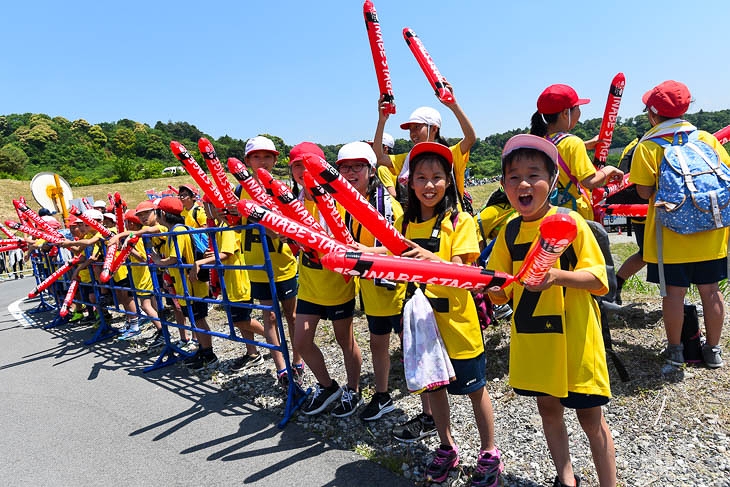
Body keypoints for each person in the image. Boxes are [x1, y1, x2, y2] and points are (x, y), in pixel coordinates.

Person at [486, 134, 616, 487]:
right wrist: (495, 291)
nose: (523, 184)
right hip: (535, 341)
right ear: (503, 185)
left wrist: (556, 275)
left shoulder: (570, 222)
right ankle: (566, 476)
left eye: (534, 175)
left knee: (591, 418)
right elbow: (502, 290)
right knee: (548, 410)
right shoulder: (510, 231)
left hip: (575, 338)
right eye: (513, 177)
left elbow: (599, 279)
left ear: (554, 180)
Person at [399, 142, 502, 486]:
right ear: (410, 183)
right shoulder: (405, 221)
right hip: (423, 324)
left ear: (449, 181)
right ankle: (446, 446)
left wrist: (429, 260)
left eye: (438, 177)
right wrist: (355, 251)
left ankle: (489, 451)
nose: (429, 185)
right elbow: (386, 251)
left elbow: (463, 272)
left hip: (457, 324)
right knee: (435, 387)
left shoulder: (461, 221)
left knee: (476, 389)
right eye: (422, 177)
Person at [630, 80, 729, 369]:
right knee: (711, 290)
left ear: (652, 114)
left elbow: (645, 192)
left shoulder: (648, 145)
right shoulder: (706, 139)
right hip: (711, 232)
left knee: (673, 294)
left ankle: (675, 351)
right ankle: (713, 351)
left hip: (669, 235)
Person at [288, 142, 363, 418]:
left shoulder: (338, 199)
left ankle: (353, 390)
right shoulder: (291, 202)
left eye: (308, 164)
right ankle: (328, 386)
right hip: (308, 285)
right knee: (301, 342)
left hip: (338, 285)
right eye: (297, 165)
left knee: (346, 340)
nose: (302, 170)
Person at [334, 141, 405, 421]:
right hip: (371, 290)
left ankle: (429, 412)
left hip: (398, 290)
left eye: (357, 167)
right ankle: (382, 394)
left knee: (409, 348)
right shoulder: (346, 206)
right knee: (378, 343)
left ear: (371, 170)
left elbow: (402, 247)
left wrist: (365, 252)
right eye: (345, 168)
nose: (351, 172)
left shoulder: (388, 206)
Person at [192, 197, 290, 383]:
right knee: (238, 318)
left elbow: (228, 252)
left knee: (240, 320)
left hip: (239, 280)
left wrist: (204, 261)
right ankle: (252, 352)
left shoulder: (227, 227)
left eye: (207, 206)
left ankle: (273, 343)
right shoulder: (220, 227)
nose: (205, 209)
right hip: (230, 280)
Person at [237, 135, 303, 380]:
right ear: (248, 161)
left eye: (267, 157)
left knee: (292, 315)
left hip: (283, 263)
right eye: (256, 156)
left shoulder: (282, 189)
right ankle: (281, 367)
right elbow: (231, 223)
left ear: (275, 161)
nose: (262, 161)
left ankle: (298, 360)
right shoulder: (238, 191)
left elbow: (292, 224)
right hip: (256, 265)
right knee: (270, 316)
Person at [373, 80, 476, 208]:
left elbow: (470, 138)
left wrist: (454, 106)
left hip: (452, 221)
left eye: (417, 127)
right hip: (421, 222)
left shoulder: (450, 154)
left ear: (434, 129)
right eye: (410, 129)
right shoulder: (409, 159)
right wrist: (381, 121)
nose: (412, 133)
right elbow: (379, 157)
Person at [530, 84, 623, 221]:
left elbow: (559, 153)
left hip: (548, 215)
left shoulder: (538, 143)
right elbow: (590, 182)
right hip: (573, 216)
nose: (579, 113)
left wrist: (585, 145)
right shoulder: (573, 143)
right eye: (578, 108)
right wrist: (609, 170)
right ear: (565, 113)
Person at [149, 197, 215, 371]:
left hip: (191, 285)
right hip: (187, 284)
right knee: (196, 320)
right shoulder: (178, 229)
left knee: (199, 320)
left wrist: (157, 260)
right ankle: (203, 350)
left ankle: (209, 354)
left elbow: (174, 258)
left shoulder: (177, 232)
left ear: (162, 213)